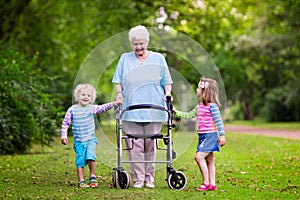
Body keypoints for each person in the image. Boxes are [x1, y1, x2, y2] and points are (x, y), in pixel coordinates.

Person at [112, 25, 173, 188]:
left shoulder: (159, 58)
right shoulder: (125, 58)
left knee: (150, 144)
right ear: (131, 44)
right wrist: (119, 94)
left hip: (154, 109)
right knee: (135, 146)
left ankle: (149, 178)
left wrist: (168, 94)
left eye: (141, 43)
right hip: (131, 109)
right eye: (135, 44)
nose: (138, 47)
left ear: (147, 42)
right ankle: (138, 178)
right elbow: (117, 81)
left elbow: (167, 82)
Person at [61, 83, 119, 188]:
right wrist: (63, 135)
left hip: (90, 140)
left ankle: (92, 176)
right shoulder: (72, 109)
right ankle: (81, 181)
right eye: (83, 95)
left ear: (92, 98)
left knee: (91, 157)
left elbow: (103, 108)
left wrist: (114, 103)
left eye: (88, 96)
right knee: (80, 161)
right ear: (77, 96)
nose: (86, 97)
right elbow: (65, 123)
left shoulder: (91, 108)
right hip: (79, 142)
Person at [173, 77, 226, 191]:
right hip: (202, 136)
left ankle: (206, 182)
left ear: (205, 91)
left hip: (210, 135)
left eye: (198, 87)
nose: (196, 90)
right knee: (210, 159)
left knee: (198, 157)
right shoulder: (199, 106)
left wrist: (222, 135)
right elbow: (189, 115)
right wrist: (176, 112)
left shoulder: (212, 107)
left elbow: (219, 122)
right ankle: (212, 184)